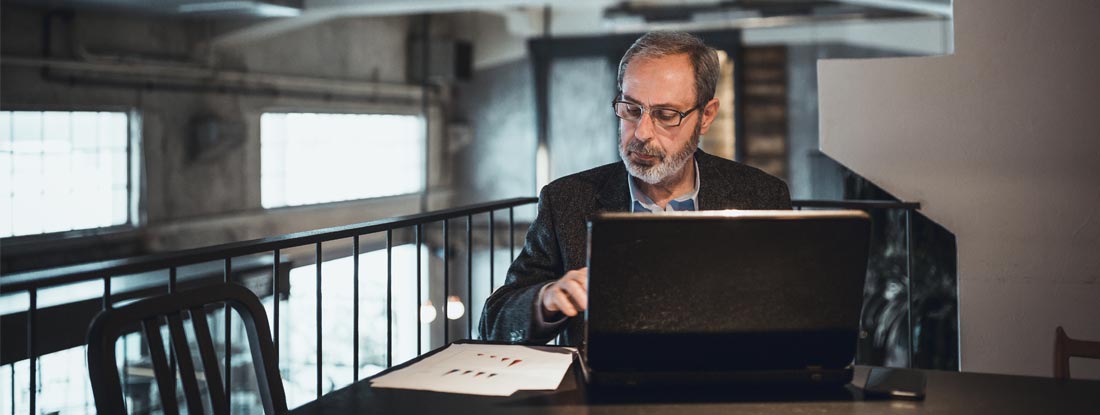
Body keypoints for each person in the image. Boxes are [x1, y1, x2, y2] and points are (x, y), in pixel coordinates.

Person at [478, 31, 791, 345]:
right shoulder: (567, 200)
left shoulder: (760, 196)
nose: (641, 133)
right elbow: (494, 323)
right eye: (631, 109)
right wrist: (546, 299)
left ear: (706, 116)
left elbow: (791, 312)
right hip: (607, 376)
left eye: (665, 115)